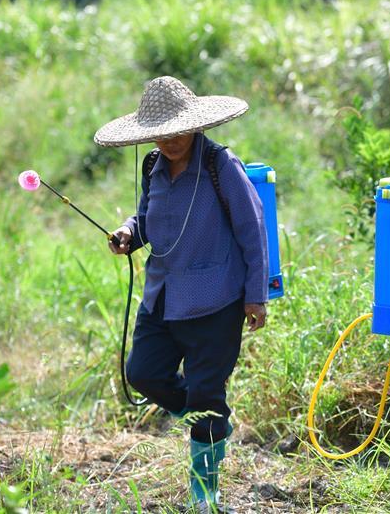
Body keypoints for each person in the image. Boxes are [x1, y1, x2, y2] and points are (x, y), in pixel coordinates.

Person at [94, 76, 269, 511]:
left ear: (194, 125)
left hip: (216, 301)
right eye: (162, 132)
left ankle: (204, 496)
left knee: (207, 397)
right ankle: (209, 425)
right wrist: (128, 234)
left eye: (178, 130)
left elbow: (253, 228)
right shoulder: (152, 165)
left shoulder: (220, 165)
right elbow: (146, 219)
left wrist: (255, 295)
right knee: (143, 373)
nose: (171, 140)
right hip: (163, 297)